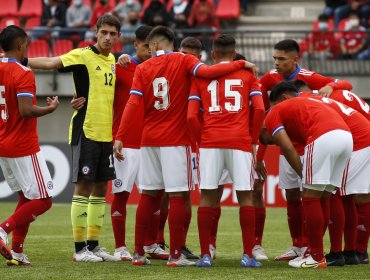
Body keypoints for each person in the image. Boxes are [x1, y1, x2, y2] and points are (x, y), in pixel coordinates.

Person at [113, 25, 257, 267]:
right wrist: (240, 65)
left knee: (148, 194)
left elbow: (132, 104)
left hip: (148, 139)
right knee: (178, 195)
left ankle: (138, 253)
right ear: (170, 43)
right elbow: (209, 73)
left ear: (153, 46)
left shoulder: (143, 68)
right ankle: (175, 255)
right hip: (175, 139)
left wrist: (120, 135)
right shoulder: (185, 61)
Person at [26, 14, 121, 262]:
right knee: (84, 186)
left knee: (101, 188)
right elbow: (50, 63)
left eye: (113, 34)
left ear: (118, 37)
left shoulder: (112, 60)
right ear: (96, 32)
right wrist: (21, 60)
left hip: (106, 133)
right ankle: (80, 250)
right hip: (86, 130)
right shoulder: (82, 55)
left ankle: (94, 245)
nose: (108, 38)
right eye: (104, 33)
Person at [257, 39, 353, 262]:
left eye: (281, 59)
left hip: (312, 144)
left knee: (314, 196)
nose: (277, 64)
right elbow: (263, 120)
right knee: (297, 195)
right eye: (275, 58)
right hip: (317, 140)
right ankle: (299, 245)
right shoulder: (269, 78)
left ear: (295, 60)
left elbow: (344, 83)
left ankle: (314, 251)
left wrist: (333, 86)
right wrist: (259, 157)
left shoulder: (309, 78)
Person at [271, 81, 370, 267]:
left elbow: (291, 147)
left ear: (284, 98)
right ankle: (351, 252)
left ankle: (326, 254)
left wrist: (305, 175)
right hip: (355, 137)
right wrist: (334, 84)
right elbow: (346, 84)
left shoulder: (297, 104)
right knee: (344, 195)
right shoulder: (318, 99)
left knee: (326, 195)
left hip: (356, 139)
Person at [187, 34, 265, 268]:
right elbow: (259, 110)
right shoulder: (248, 75)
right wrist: (252, 140)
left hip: (210, 141)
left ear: (212, 54)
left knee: (208, 197)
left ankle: (205, 256)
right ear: (234, 53)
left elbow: (191, 116)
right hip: (240, 141)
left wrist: (202, 139)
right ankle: (248, 256)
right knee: (246, 197)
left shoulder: (200, 77)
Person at [0, 25, 59, 265]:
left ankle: (18, 251)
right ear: (20, 45)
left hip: (3, 143)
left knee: (27, 196)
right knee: (44, 199)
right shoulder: (23, 72)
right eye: (27, 44)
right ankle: (3, 229)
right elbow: (26, 111)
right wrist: (51, 108)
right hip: (23, 145)